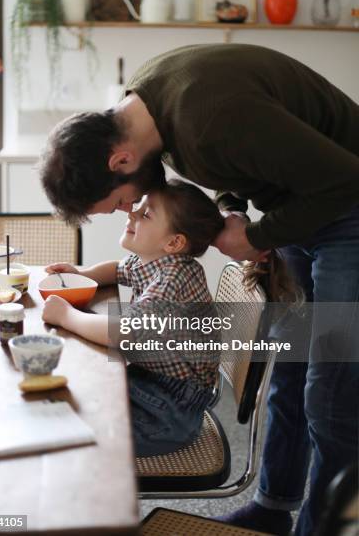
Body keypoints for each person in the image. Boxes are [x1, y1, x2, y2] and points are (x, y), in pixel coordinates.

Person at [40, 44, 359, 536]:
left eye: (121, 202)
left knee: (331, 397)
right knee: (291, 376)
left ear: (120, 159)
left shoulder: (205, 118)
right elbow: (246, 164)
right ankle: (274, 508)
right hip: (307, 203)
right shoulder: (150, 113)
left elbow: (345, 178)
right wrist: (233, 209)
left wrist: (254, 235)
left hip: (347, 205)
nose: (129, 212)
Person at [42, 180, 221, 457]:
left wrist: (66, 316)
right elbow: (116, 270)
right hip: (152, 384)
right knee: (78, 390)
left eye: (146, 214)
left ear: (174, 242)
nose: (132, 213)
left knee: (78, 435)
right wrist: (83, 275)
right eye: (139, 206)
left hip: (170, 410)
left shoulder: (173, 277)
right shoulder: (156, 260)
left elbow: (124, 331)